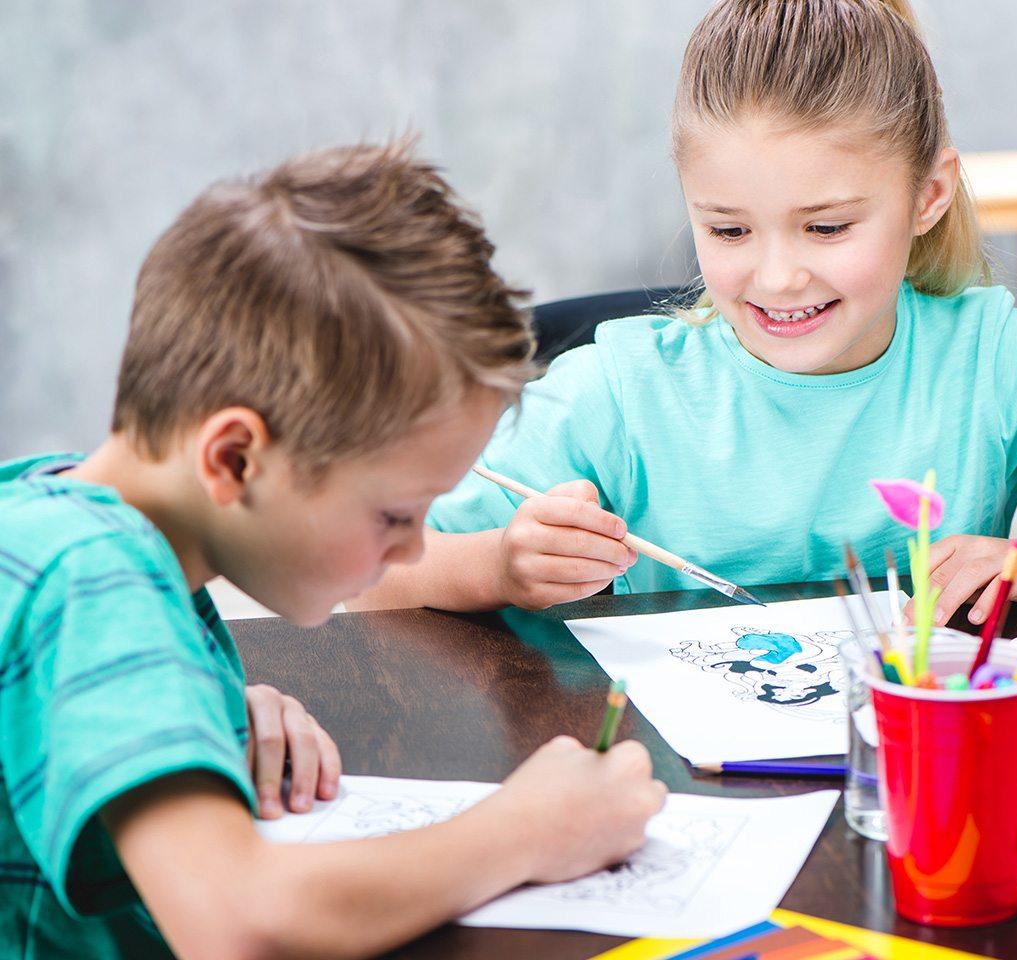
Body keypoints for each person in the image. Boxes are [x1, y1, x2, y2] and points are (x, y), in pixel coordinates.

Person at [354, 0, 1017, 627]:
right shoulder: (618, 392)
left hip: (914, 789)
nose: (777, 276)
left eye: (827, 227)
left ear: (926, 197)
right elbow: (375, 570)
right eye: (728, 229)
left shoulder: (991, 360)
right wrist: (499, 567)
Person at [0, 140, 665, 959]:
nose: (413, 549)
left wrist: (198, 711)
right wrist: (528, 830)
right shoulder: (93, 578)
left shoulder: (54, 516)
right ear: (234, 459)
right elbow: (235, 923)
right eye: (394, 515)